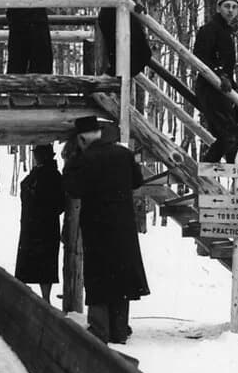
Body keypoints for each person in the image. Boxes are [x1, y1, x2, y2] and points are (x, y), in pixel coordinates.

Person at [63, 117, 149, 343]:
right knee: (121, 278)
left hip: (97, 227)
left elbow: (74, 189)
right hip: (123, 227)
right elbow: (137, 182)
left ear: (82, 139)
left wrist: (71, 163)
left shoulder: (85, 159)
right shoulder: (123, 154)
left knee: (98, 277)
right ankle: (119, 330)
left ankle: (100, 329)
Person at [194, 0, 238, 163]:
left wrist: (234, 86)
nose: (230, 10)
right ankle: (206, 174)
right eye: (227, 6)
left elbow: (227, 66)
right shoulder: (210, 29)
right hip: (210, 87)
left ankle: (205, 172)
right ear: (218, 8)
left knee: (231, 134)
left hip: (221, 87)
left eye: (234, 7)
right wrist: (219, 73)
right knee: (229, 134)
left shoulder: (226, 32)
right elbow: (199, 56)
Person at [15, 144, 66, 301]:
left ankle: (45, 298)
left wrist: (44, 212)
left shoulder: (53, 175)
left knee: (45, 264)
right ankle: (29, 297)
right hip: (34, 225)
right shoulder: (38, 172)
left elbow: (60, 202)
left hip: (44, 226)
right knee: (38, 263)